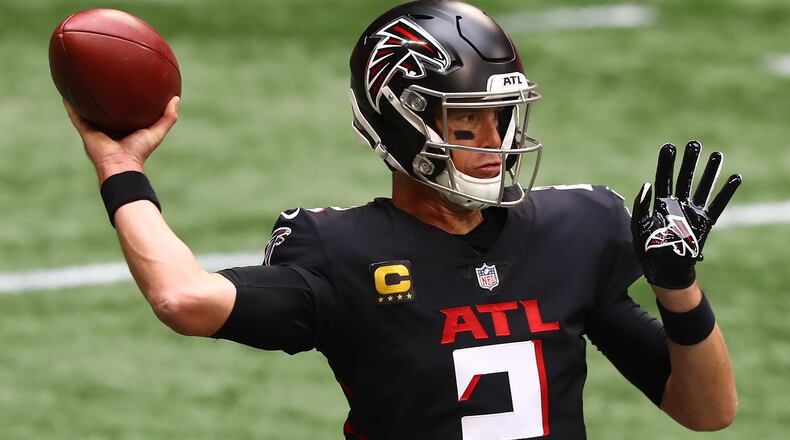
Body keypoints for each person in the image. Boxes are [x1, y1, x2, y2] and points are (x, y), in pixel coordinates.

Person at [64, 1, 740, 438]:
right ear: (397, 119)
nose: (492, 141)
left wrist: (677, 287)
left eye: (500, 117)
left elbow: (707, 412)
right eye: (462, 119)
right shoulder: (341, 250)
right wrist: (121, 168)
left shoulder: (577, 229)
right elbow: (182, 298)